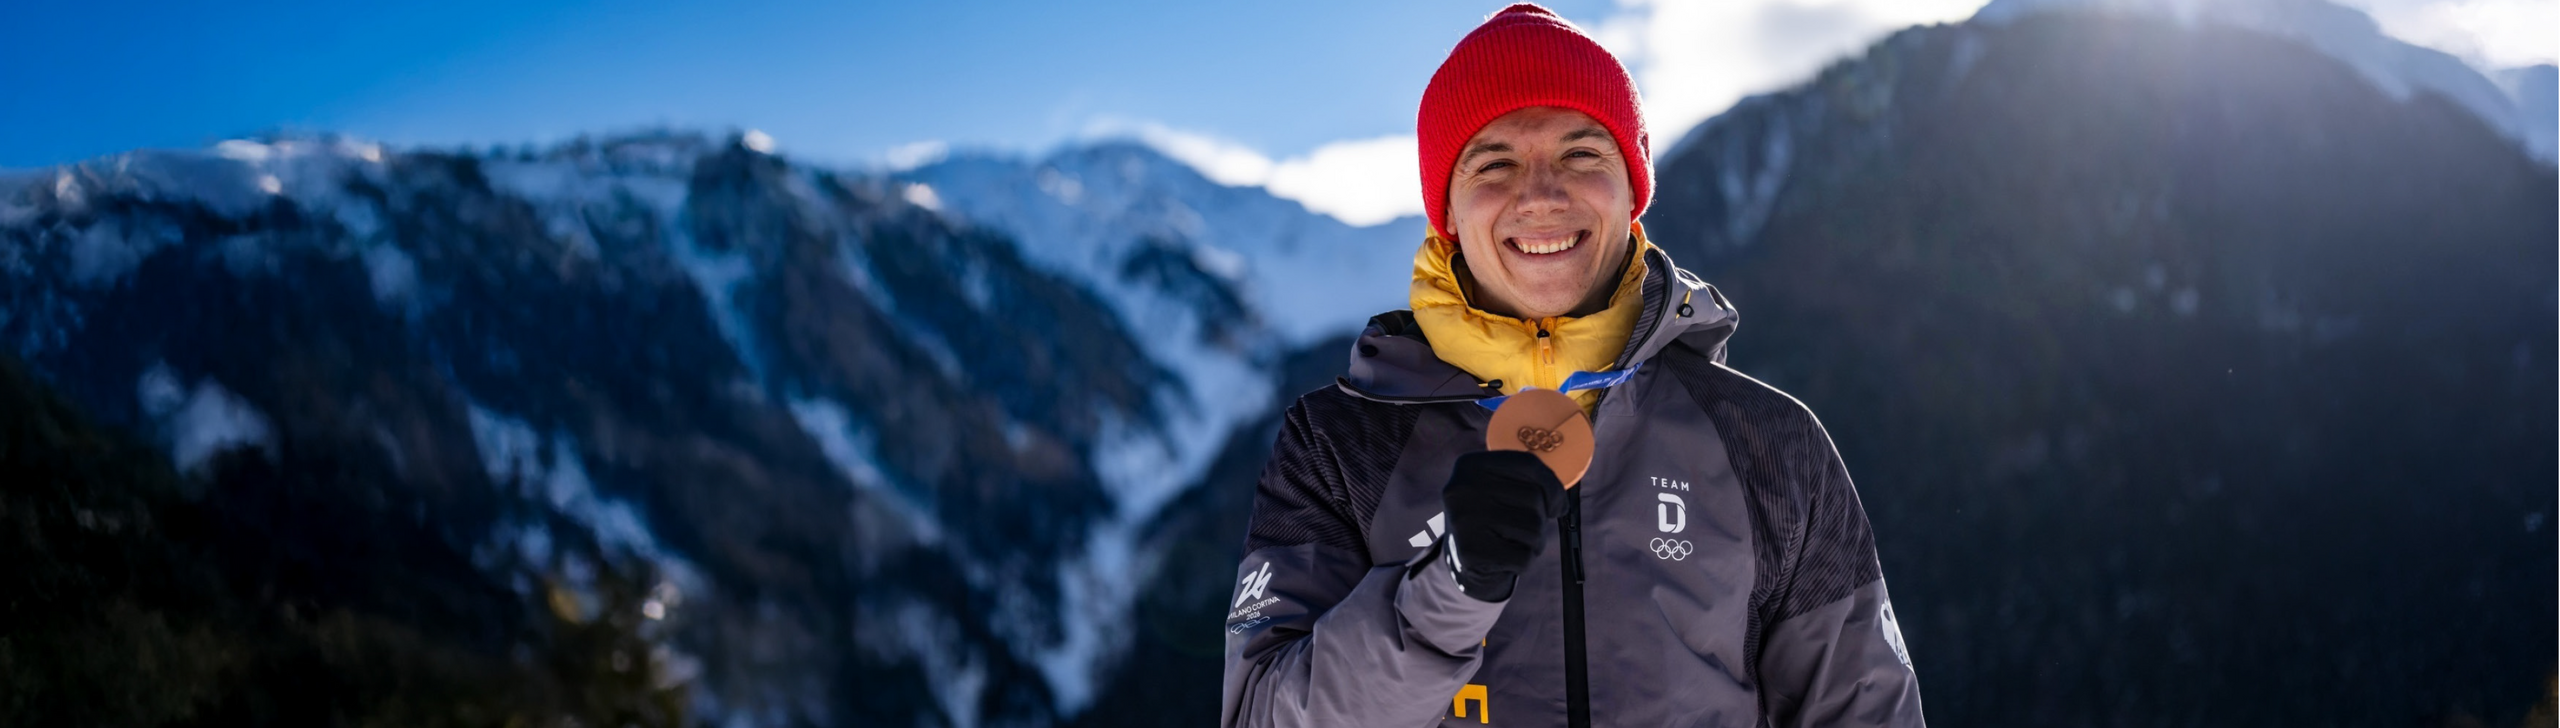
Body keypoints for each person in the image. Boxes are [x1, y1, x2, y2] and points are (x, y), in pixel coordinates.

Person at [1218, 4, 1925, 727]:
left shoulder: (1768, 443)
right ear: (1448, 212)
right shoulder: (1339, 445)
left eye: (1581, 155)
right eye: (1495, 163)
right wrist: (1443, 595)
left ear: (1633, 190)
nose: (1541, 195)